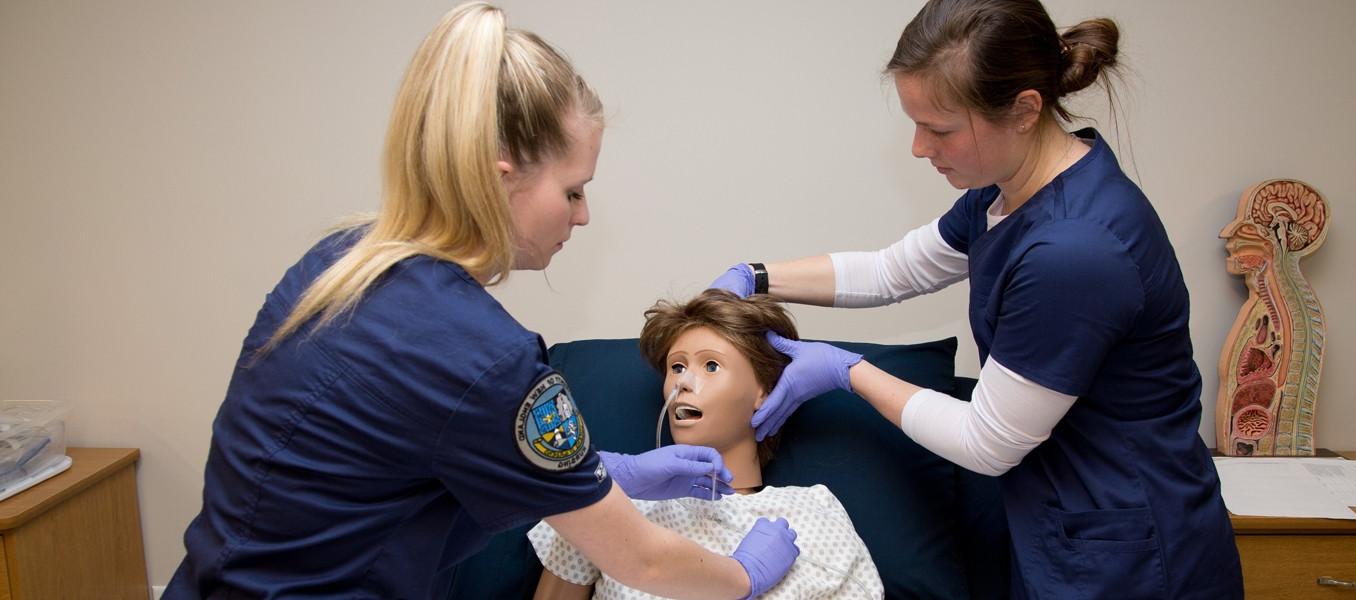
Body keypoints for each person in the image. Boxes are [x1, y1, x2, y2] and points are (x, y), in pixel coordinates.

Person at [164, 4, 798, 598]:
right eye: (574, 191)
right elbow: (643, 561)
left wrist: (615, 474)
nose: (582, 216)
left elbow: (413, 454)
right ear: (502, 178)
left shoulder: (336, 263)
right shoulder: (488, 360)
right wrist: (745, 574)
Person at [708, 0, 1243, 597]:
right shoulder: (1006, 193)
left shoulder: (1075, 253)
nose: (917, 147)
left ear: (1023, 109)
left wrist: (846, 371)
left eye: (939, 129)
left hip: (1131, 550)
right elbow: (892, 271)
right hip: (1061, 524)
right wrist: (754, 275)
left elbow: (986, 443)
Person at [529, 290, 883, 599]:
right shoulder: (615, 500)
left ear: (765, 390)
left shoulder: (813, 512)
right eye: (676, 367)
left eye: (711, 365)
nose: (683, 383)